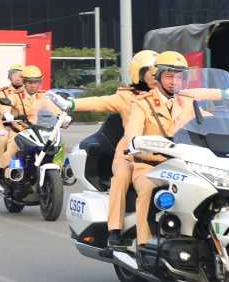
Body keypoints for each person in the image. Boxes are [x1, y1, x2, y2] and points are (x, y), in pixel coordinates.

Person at [124, 51, 229, 250]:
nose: (174, 81)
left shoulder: (186, 100)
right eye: (170, 76)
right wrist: (138, 144)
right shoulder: (141, 104)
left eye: (179, 77)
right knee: (147, 190)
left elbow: (206, 119)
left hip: (183, 163)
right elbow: (132, 136)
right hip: (150, 164)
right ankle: (143, 243)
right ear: (158, 76)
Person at [53, 50, 157, 255]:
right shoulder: (126, 97)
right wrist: (71, 103)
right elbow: (99, 101)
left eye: (159, 71)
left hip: (163, 153)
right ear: (139, 73)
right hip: (129, 152)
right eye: (151, 71)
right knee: (121, 177)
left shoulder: (168, 96)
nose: (156, 75)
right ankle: (115, 233)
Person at [0, 65, 56, 181]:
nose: (33, 85)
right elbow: (6, 105)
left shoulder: (42, 96)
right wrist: (8, 114)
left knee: (56, 146)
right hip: (19, 132)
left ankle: (61, 171)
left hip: (39, 132)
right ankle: (5, 175)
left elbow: (53, 109)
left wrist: (64, 116)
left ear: (40, 82)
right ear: (24, 82)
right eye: (30, 82)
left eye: (36, 82)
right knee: (11, 151)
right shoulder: (15, 96)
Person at [0, 64, 25, 172]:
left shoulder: (28, 92)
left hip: (25, 126)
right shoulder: (3, 92)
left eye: (21, 75)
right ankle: (1, 165)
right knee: (4, 139)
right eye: (15, 75)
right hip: (7, 126)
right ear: (10, 77)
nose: (18, 78)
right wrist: (0, 128)